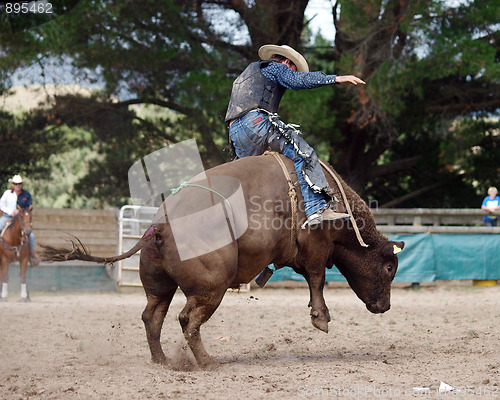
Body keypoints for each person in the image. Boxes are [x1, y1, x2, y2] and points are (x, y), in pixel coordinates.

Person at [226, 44, 366, 228]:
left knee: (249, 176)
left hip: (235, 130)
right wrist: (336, 79)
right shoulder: (275, 67)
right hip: (255, 122)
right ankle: (316, 209)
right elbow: (297, 81)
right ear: (286, 61)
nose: (292, 72)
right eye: (293, 68)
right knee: (304, 154)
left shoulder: (249, 72)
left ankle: (235, 217)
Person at [0, 174, 39, 266]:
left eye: (19, 184)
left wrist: (22, 213)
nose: (18, 185)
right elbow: (1, 206)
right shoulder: (7, 193)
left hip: (21, 219)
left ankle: (32, 256)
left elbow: (29, 208)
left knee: (31, 236)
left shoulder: (26, 195)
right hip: (7, 216)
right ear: (13, 184)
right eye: (16, 184)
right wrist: (11, 212)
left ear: (21, 184)